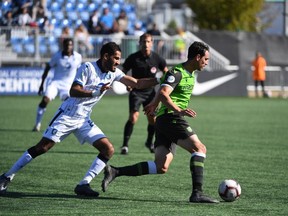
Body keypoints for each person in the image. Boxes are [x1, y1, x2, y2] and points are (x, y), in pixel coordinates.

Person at [0, 42, 160, 197]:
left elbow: (138, 83)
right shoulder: (88, 68)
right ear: (106, 56)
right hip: (67, 115)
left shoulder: (114, 73)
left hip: (83, 119)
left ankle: (83, 184)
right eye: (116, 58)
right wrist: (95, 92)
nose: (118, 62)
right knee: (42, 148)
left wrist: (161, 79)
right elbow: (74, 90)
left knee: (108, 149)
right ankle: (6, 176)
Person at [102, 41, 219, 203]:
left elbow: (162, 88)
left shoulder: (185, 73)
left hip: (164, 121)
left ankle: (115, 171)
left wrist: (154, 103)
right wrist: (178, 110)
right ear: (197, 57)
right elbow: (164, 93)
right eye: (205, 59)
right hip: (172, 118)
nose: (206, 63)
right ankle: (197, 193)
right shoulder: (177, 72)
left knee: (161, 166)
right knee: (200, 149)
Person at [120, 33, 169, 155]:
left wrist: (164, 83)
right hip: (136, 92)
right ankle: (125, 145)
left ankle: (149, 142)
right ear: (139, 43)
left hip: (151, 93)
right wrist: (128, 83)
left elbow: (166, 72)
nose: (145, 44)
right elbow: (123, 72)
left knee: (153, 120)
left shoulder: (157, 58)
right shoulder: (133, 58)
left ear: (152, 43)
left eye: (148, 42)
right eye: (143, 42)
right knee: (133, 117)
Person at [32, 38, 82, 132]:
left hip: (68, 86)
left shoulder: (78, 57)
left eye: (70, 45)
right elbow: (47, 68)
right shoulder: (57, 56)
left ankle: (67, 126)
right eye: (66, 45)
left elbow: (80, 71)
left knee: (69, 105)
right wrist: (42, 85)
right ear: (63, 46)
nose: (68, 47)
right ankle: (37, 124)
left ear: (72, 46)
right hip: (56, 83)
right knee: (45, 100)